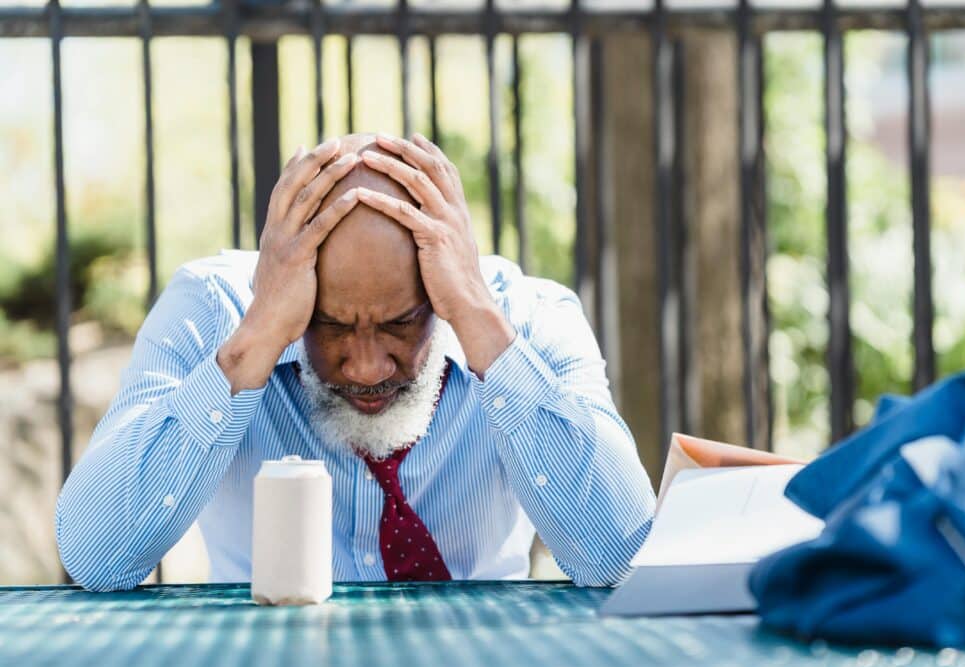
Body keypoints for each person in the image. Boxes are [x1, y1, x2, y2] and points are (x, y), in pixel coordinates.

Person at [55, 132, 656, 591]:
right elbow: (96, 555)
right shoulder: (213, 310)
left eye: (401, 322)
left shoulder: (527, 315)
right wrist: (257, 338)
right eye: (332, 326)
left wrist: (477, 321)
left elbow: (619, 553)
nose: (368, 369)